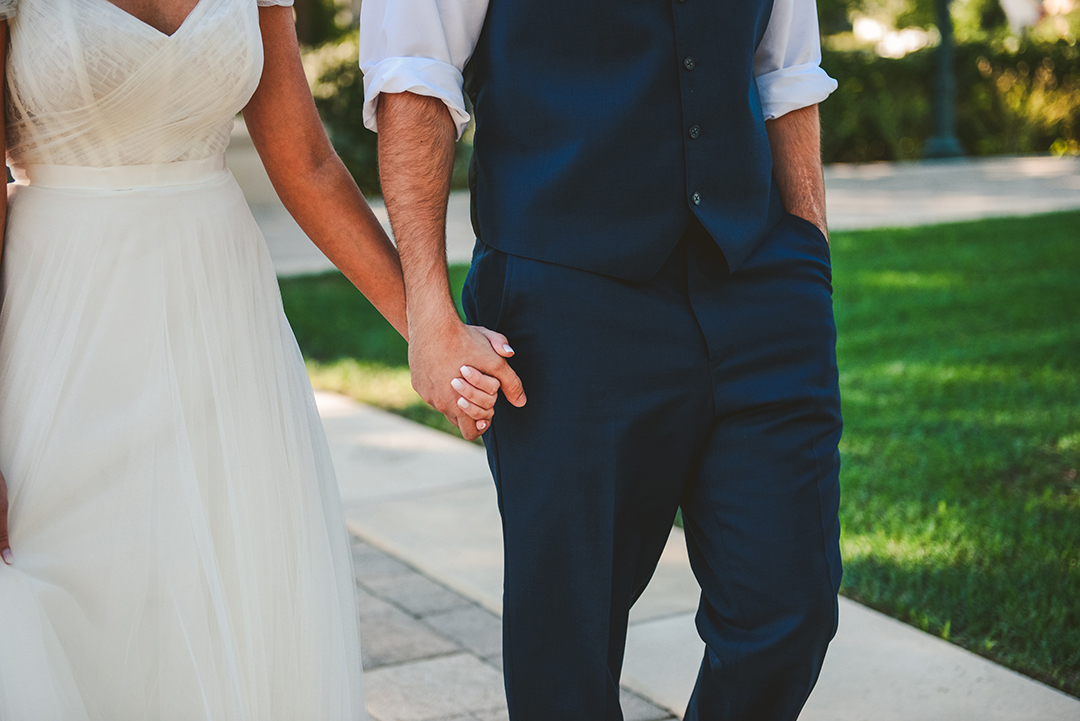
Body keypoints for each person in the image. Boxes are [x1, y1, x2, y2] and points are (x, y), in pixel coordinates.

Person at [0, 1, 520, 718]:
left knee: (234, 605)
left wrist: (429, 327)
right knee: (65, 600)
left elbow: (305, 162)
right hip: (58, 324)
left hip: (222, 325)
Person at [360, 0, 843, 719]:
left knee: (788, 609)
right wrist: (428, 315)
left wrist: (808, 267)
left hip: (758, 283)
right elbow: (415, 80)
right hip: (564, 301)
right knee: (567, 647)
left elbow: (788, 74)